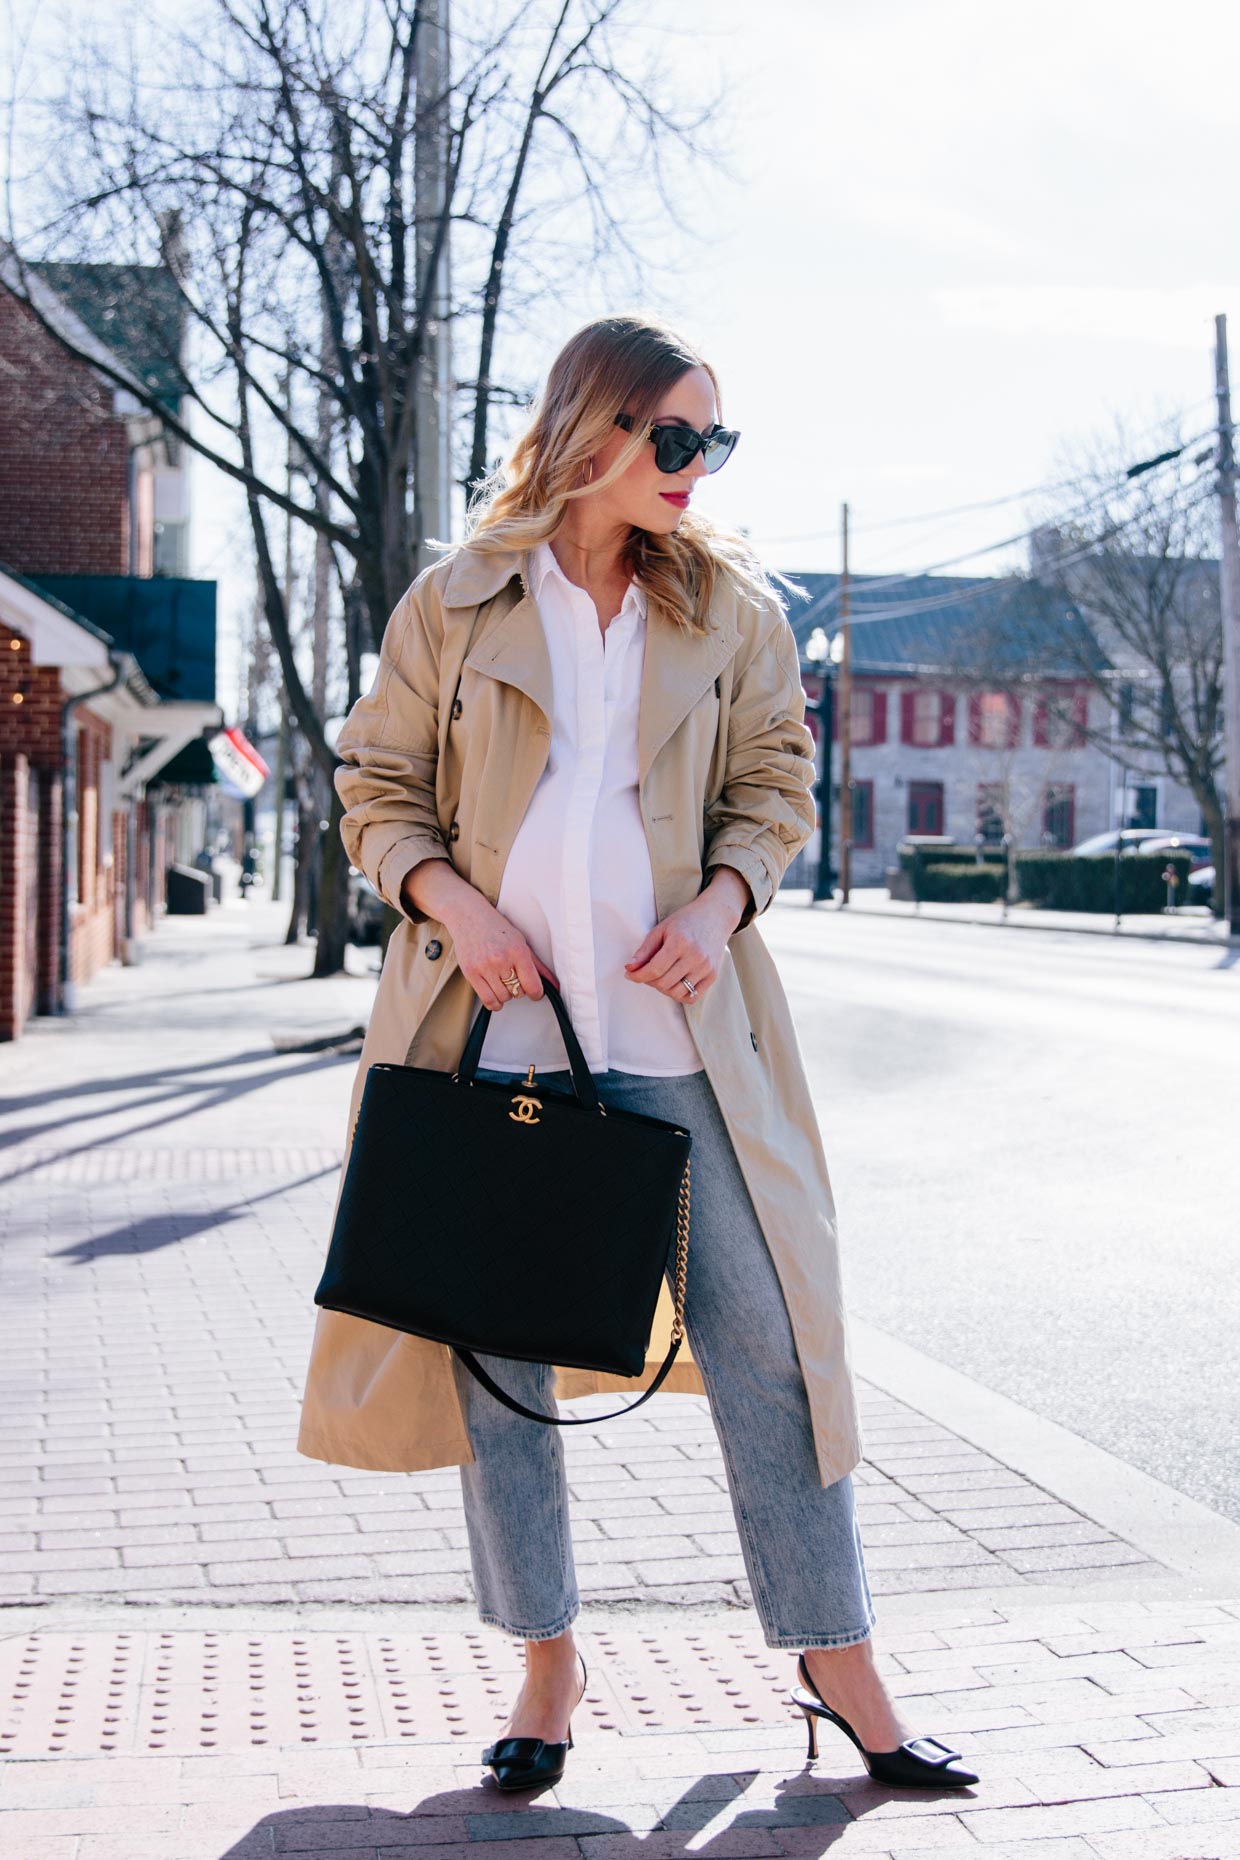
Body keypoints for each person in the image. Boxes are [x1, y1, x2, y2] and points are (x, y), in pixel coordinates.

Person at [298, 313, 978, 1795]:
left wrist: (725, 899)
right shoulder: (458, 601)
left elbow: (777, 784)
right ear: (591, 430)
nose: (695, 467)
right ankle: (546, 1657)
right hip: (497, 1033)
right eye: (674, 436)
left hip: (687, 1034)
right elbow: (376, 787)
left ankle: (836, 1653)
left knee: (770, 1341)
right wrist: (458, 905)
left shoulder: (731, 607)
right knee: (505, 1369)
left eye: (711, 441)